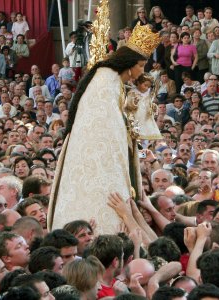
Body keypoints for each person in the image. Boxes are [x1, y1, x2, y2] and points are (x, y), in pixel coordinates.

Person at [47, 25, 161, 235]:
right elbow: (109, 126)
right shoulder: (105, 80)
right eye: (141, 65)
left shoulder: (113, 80)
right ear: (129, 65)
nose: (142, 72)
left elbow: (121, 117)